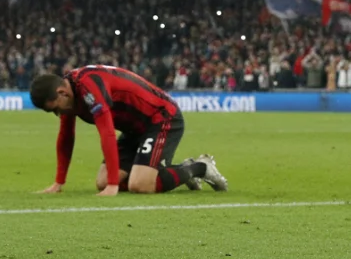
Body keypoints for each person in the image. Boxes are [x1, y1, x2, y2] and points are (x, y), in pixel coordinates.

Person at [29, 65, 227, 196]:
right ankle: (176, 170)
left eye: (55, 109)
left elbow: (107, 132)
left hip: (161, 118)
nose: (57, 114)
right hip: (134, 129)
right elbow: (66, 137)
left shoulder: (88, 86)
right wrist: (59, 183)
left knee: (140, 185)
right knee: (102, 182)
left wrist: (113, 185)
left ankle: (200, 167)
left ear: (62, 93)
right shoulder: (69, 95)